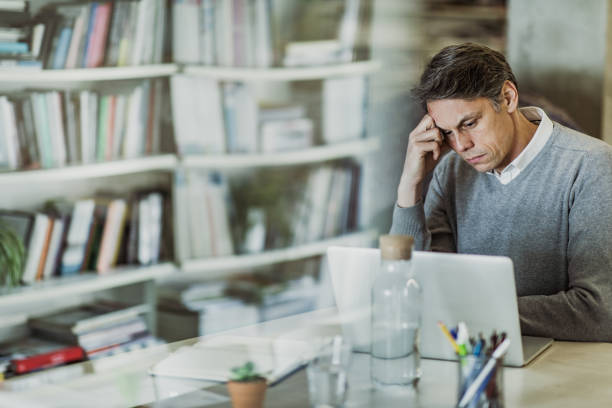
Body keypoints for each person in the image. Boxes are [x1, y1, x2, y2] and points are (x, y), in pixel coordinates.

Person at [391, 42, 612, 342]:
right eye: (447, 133)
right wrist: (410, 185)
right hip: (473, 357)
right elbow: (413, 289)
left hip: (561, 367)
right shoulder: (452, 170)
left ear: (507, 97)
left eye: (469, 123)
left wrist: (477, 311)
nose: (460, 145)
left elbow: (599, 312)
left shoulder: (590, 166)